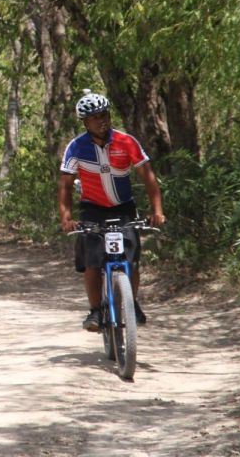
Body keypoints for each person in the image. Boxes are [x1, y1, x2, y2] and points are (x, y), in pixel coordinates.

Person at [58, 89, 166, 331]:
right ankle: (95, 310)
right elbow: (65, 186)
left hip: (124, 208)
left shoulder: (126, 142)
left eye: (105, 114)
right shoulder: (76, 147)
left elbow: (149, 178)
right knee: (93, 261)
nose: (102, 120)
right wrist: (67, 218)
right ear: (85, 122)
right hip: (92, 209)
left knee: (132, 260)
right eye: (95, 117)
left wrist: (157, 210)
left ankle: (132, 302)